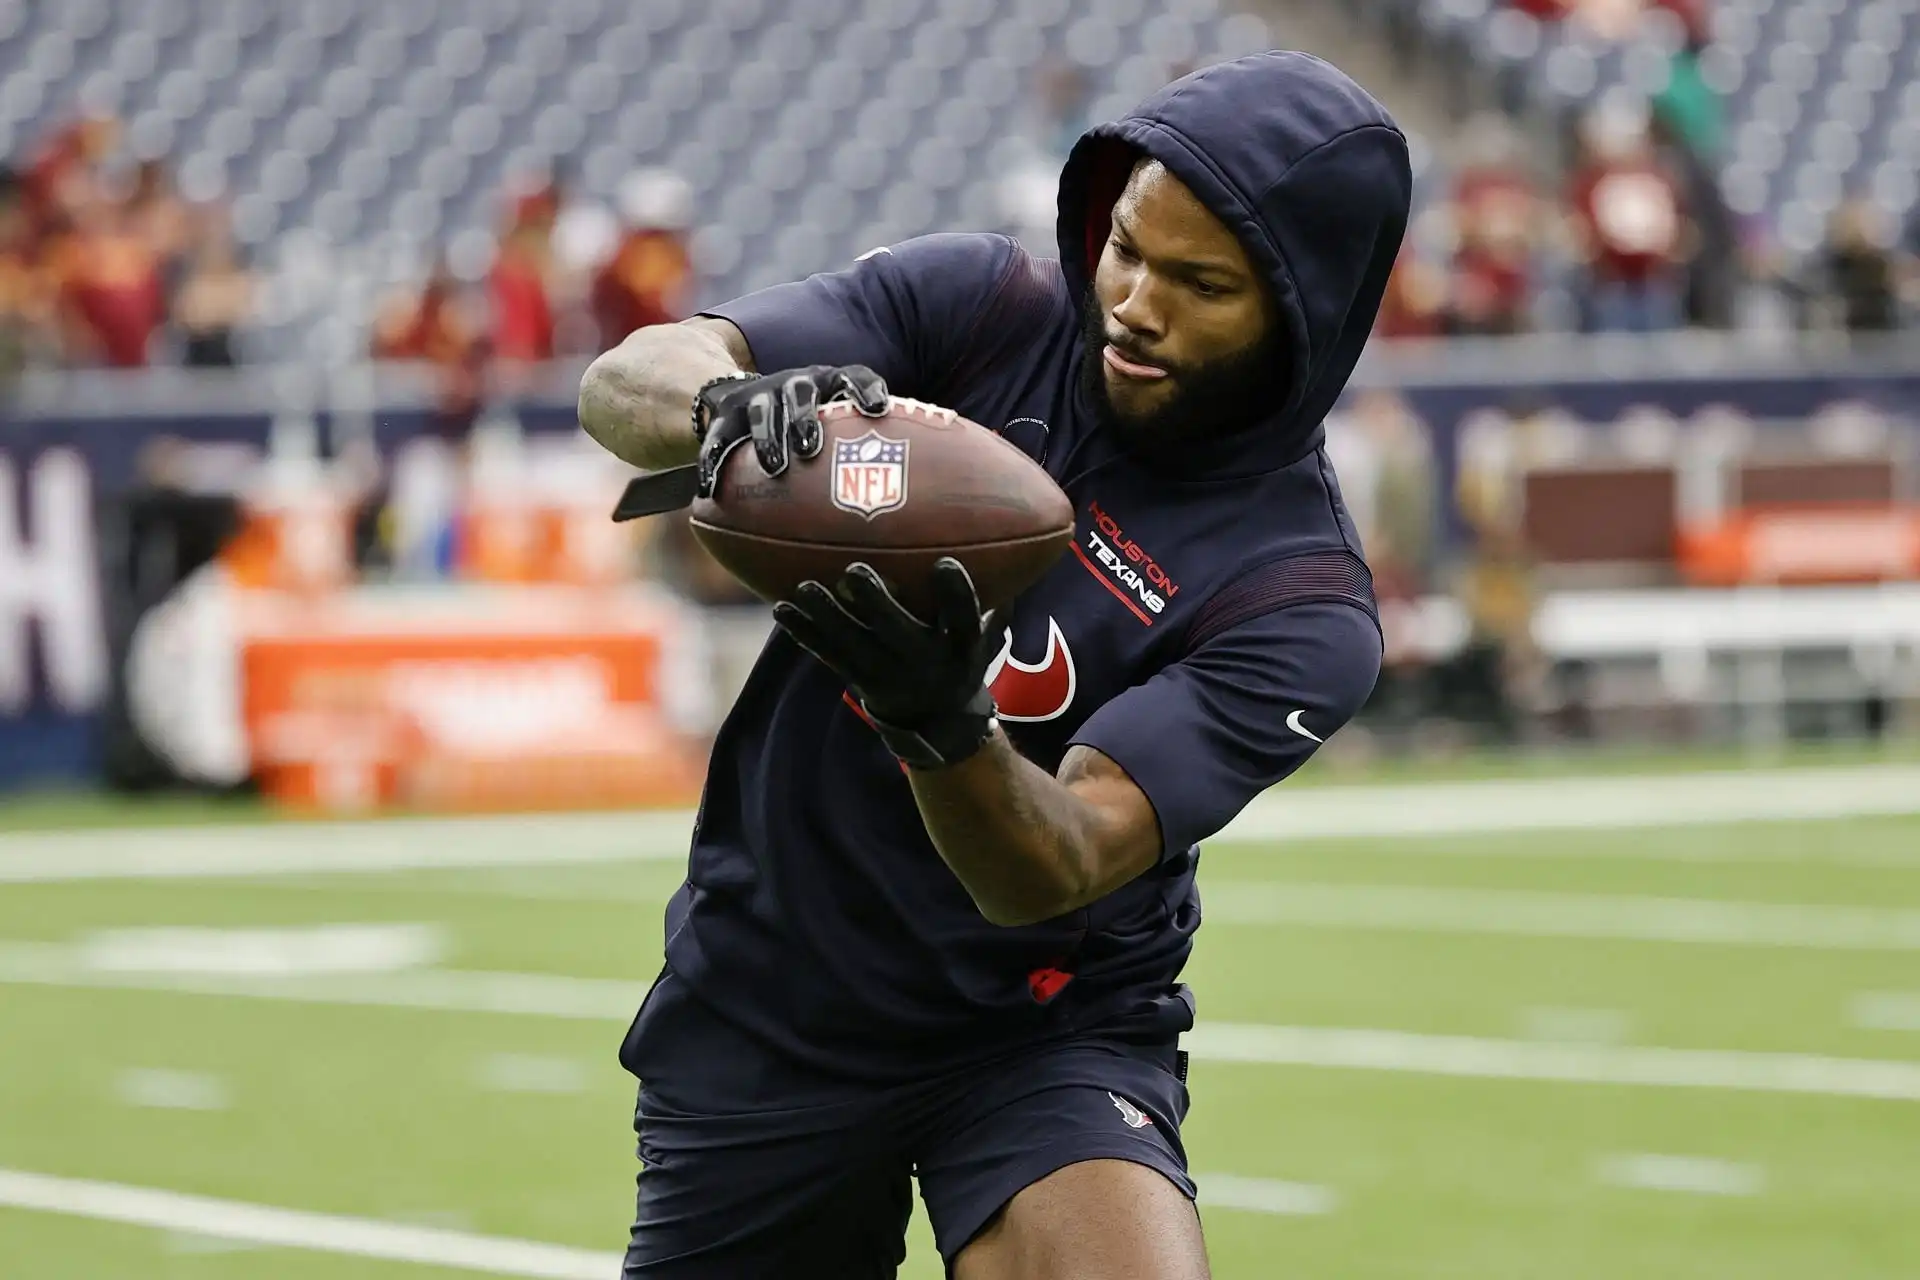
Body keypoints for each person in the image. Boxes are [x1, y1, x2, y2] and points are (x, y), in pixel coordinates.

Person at [578, 51, 1408, 1278]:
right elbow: (625, 378)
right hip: (779, 982)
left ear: (1307, 313)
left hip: (1044, 1024)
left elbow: (1056, 861)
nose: (1135, 302)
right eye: (1128, 248)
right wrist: (726, 409)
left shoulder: (1299, 600)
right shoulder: (982, 308)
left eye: (1202, 284)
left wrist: (937, 719)